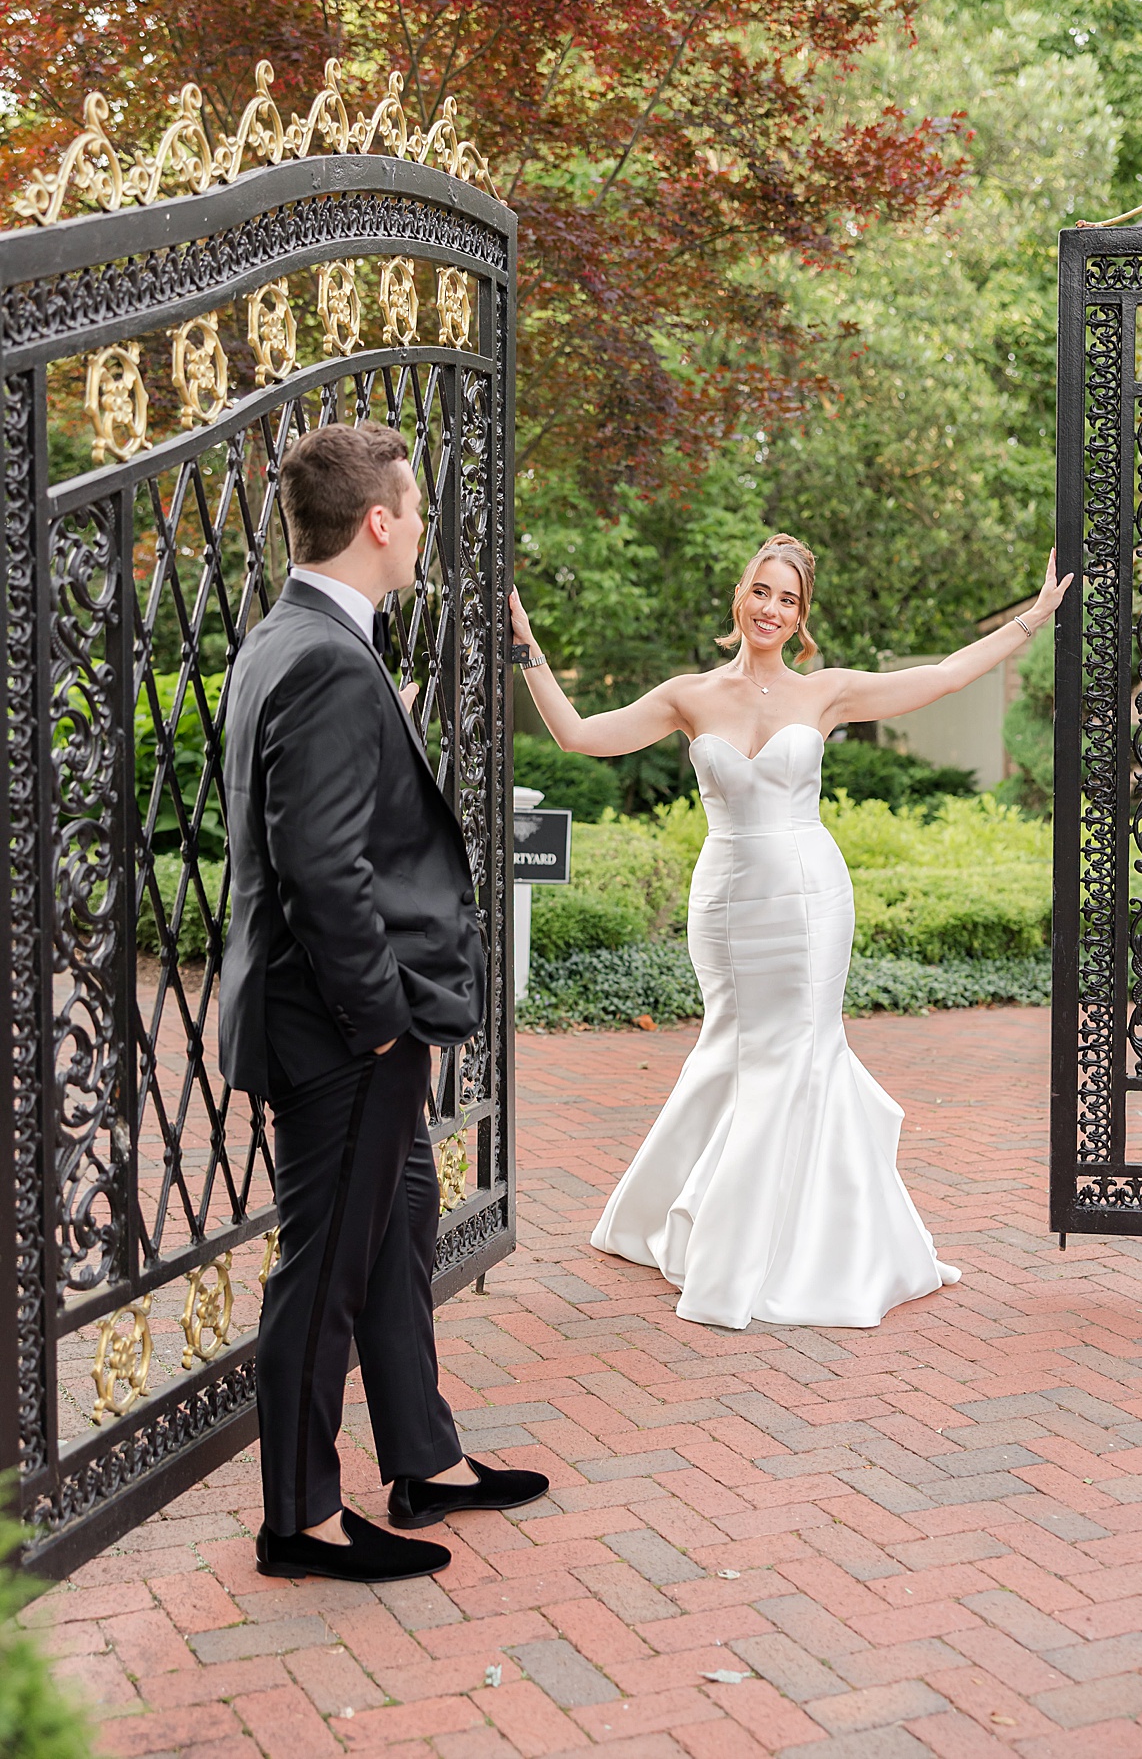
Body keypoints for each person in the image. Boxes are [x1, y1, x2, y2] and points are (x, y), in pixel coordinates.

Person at [509, 537, 1071, 1330]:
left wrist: (1033, 618)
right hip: (725, 899)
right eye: (762, 593)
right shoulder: (689, 696)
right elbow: (578, 734)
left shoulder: (826, 694)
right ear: (740, 597)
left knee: (800, 1050)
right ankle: (688, 1208)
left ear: (802, 616)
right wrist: (526, 646)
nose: (772, 609)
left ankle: (781, 1245)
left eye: (789, 600)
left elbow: (942, 676)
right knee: (732, 1041)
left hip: (808, 898)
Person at [221, 422, 548, 1585]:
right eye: (412, 509)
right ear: (378, 521)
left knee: (402, 1227)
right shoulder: (319, 655)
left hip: (342, 1018)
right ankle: (300, 1520)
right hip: (346, 1028)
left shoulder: (294, 636)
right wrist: (377, 1018)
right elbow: (319, 867)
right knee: (327, 1268)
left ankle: (422, 1456)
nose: (420, 528)